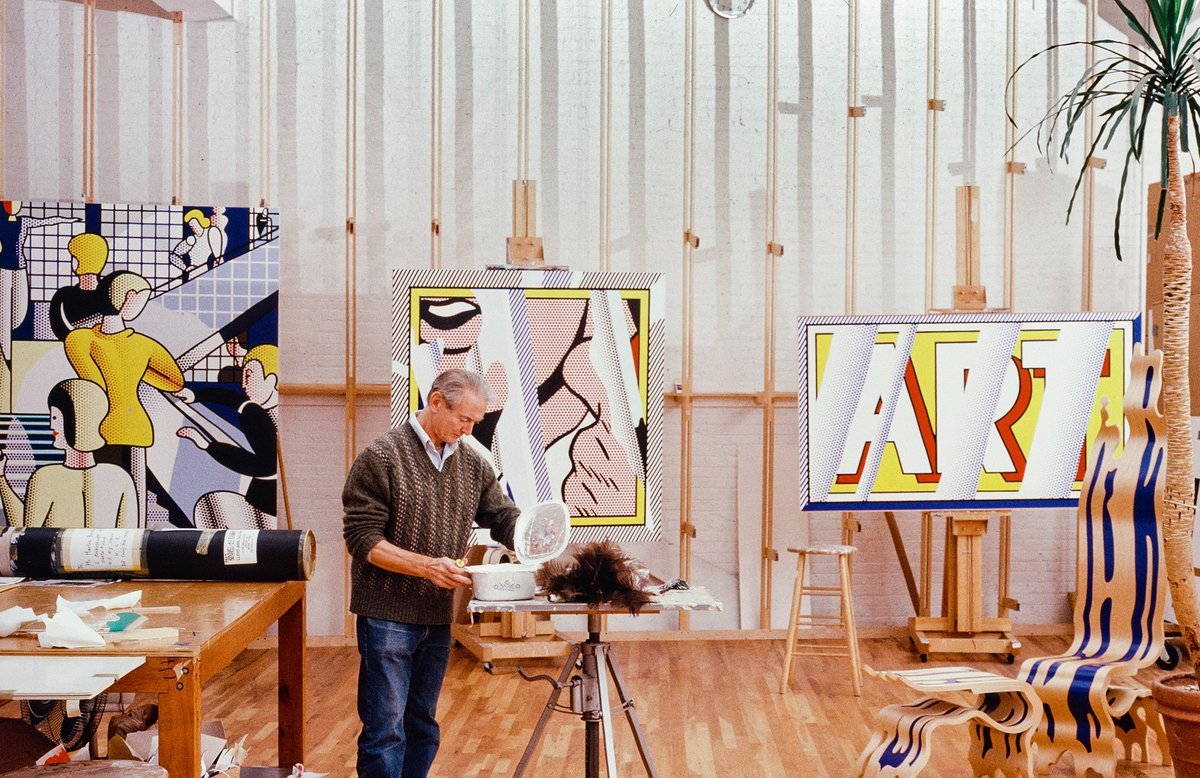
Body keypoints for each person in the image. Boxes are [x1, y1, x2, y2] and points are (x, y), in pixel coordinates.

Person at [342, 368, 521, 778]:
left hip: (436, 615)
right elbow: (362, 539)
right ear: (436, 402)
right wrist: (426, 567)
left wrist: (534, 534)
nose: (470, 429)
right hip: (387, 615)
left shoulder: (472, 464)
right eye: (465, 419)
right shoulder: (382, 456)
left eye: (476, 422)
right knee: (385, 729)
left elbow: (500, 515)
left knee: (422, 724)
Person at [64, 271, 186, 526]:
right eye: (142, 300)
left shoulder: (80, 339)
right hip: (129, 425)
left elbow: (94, 382)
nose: (142, 307)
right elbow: (175, 380)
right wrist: (139, 372)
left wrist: (138, 372)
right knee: (130, 498)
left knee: (106, 497)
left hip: (97, 427)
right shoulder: (142, 345)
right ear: (128, 298)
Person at [0, 378, 136, 528]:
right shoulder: (121, 478)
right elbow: (27, 534)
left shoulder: (46, 477)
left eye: (55, 417)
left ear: (77, 419)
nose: (51, 424)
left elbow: (25, 537)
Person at [176, 343, 279, 529]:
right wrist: (196, 395)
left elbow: (262, 466)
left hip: (265, 507)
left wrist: (208, 446)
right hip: (259, 498)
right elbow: (236, 401)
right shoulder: (257, 409)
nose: (243, 384)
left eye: (249, 376)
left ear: (271, 380)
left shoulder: (263, 415)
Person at [48, 232, 110, 340]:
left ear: (77, 261)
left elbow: (58, 327)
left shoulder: (63, 295)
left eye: (73, 257)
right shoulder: (110, 295)